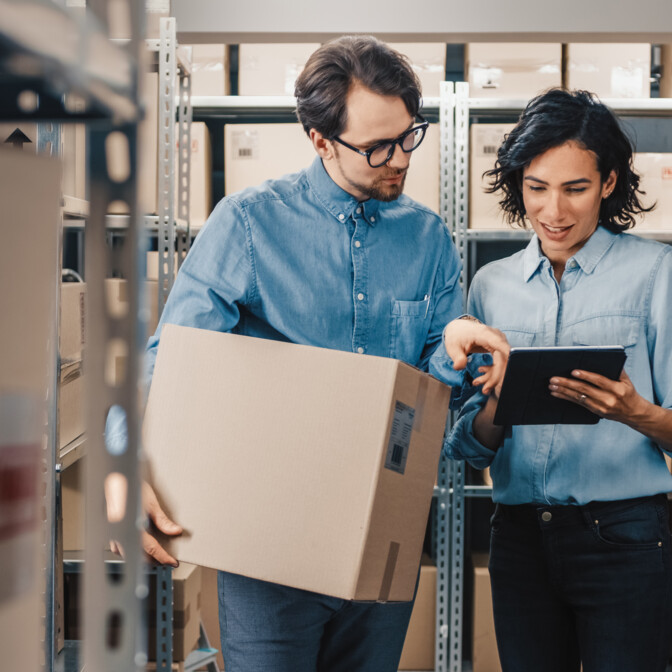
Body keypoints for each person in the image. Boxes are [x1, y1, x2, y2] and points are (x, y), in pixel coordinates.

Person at [107, 35, 508, 672]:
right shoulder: (247, 225)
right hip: (269, 546)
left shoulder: (429, 240)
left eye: (409, 136)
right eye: (376, 147)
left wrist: (455, 354)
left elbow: (437, 398)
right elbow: (170, 359)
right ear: (318, 139)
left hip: (382, 538)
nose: (399, 159)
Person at [443, 88, 672, 672]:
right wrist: (495, 400)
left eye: (575, 188)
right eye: (537, 187)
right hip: (519, 539)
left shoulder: (655, 273)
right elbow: (470, 448)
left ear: (610, 183)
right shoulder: (490, 286)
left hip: (624, 536)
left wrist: (633, 412)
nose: (554, 212)